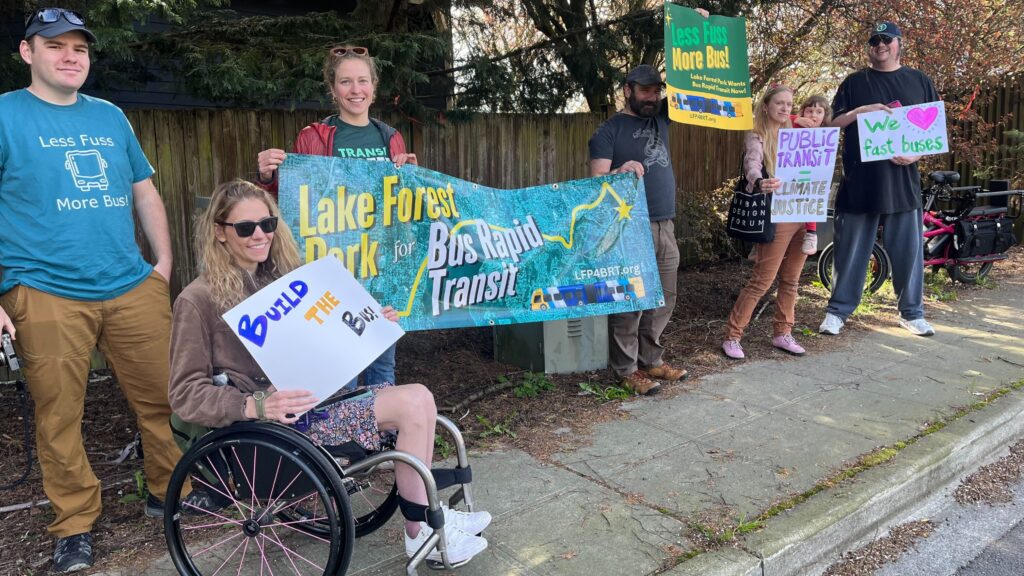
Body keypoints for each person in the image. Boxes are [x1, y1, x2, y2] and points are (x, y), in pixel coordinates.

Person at [168, 180, 492, 564]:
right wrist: (256, 404)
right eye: (245, 228)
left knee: (420, 397)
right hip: (276, 426)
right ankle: (419, 530)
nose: (260, 235)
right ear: (220, 233)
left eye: (267, 224)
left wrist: (371, 321)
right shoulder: (198, 300)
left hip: (319, 400)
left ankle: (422, 521)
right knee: (412, 404)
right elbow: (184, 393)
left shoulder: (287, 279)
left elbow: (328, 337)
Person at [0, 8, 182, 572]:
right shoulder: (5, 116)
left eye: (79, 47)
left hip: (130, 284)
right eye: (55, 46)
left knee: (167, 397)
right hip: (44, 289)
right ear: (28, 53)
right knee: (60, 415)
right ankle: (74, 525)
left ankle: (167, 491)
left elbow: (144, 192)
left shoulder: (109, 116)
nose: (70, 55)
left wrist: (164, 263)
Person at [255, 45, 416, 393]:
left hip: (381, 267)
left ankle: (382, 439)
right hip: (334, 270)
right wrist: (267, 176)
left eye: (362, 81)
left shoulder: (390, 137)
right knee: (340, 365)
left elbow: (404, 206)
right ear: (333, 89)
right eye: (345, 82)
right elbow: (294, 201)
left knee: (382, 365)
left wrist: (413, 178)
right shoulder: (313, 137)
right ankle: (345, 443)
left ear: (374, 86)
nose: (355, 90)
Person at [819, 21, 939, 337]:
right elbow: (831, 125)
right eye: (874, 40)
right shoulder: (854, 82)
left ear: (899, 43)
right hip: (860, 183)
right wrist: (862, 110)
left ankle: (912, 313)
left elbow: (933, 132)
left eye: (886, 39)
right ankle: (837, 312)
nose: (880, 44)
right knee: (849, 252)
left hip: (903, 184)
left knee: (908, 253)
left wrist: (915, 155)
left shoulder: (919, 81)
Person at [588, 64, 689, 395]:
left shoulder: (660, 118)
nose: (653, 96)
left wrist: (698, 32)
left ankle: (651, 359)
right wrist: (620, 170)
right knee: (631, 299)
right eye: (645, 90)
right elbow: (597, 184)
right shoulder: (608, 132)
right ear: (627, 90)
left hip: (665, 224)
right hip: (630, 228)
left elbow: (692, 87)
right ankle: (626, 369)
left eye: (656, 90)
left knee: (664, 297)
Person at [722, 85, 810, 360]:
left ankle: (783, 333)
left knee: (792, 280)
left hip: (802, 212)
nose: (785, 109)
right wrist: (759, 181)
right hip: (778, 214)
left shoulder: (795, 133)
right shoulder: (757, 135)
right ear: (766, 106)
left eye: (789, 104)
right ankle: (732, 336)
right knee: (763, 279)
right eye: (779, 104)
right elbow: (752, 164)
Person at [791, 95, 833, 255]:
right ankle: (760, 241)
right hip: (788, 174)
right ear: (803, 112)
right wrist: (796, 119)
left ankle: (811, 234)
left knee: (812, 196)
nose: (813, 115)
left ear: (824, 116)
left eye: (818, 112)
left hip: (810, 178)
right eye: (809, 111)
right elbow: (775, 119)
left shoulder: (825, 134)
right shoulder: (795, 126)